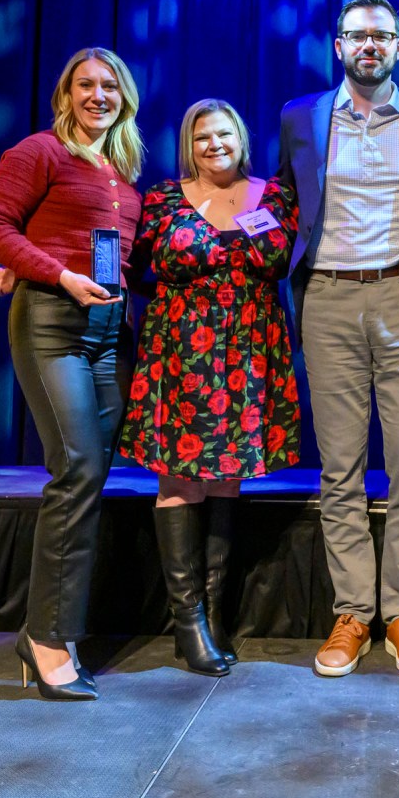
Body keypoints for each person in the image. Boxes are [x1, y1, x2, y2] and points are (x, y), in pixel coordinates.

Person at [278, 0, 399, 678]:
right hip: (328, 298)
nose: (369, 44)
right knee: (340, 468)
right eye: (357, 35)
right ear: (338, 46)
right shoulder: (301, 116)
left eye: (382, 35)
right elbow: (283, 202)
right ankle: (353, 611)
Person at [0, 47, 144, 701]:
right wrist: (51, 273)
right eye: (85, 85)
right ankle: (45, 638)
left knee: (89, 479)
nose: (98, 95)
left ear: (125, 97)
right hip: (53, 325)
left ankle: (53, 628)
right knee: (75, 469)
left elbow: (115, 256)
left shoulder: (122, 174)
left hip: (110, 335)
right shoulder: (39, 151)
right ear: (65, 95)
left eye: (109, 86)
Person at [116, 99, 301, 676]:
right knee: (180, 482)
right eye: (202, 137)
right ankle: (188, 623)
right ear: (188, 146)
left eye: (224, 134)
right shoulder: (162, 200)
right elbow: (124, 264)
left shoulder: (276, 197)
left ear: (241, 139)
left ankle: (214, 615)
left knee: (226, 480)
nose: (214, 145)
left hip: (250, 353)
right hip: (181, 353)